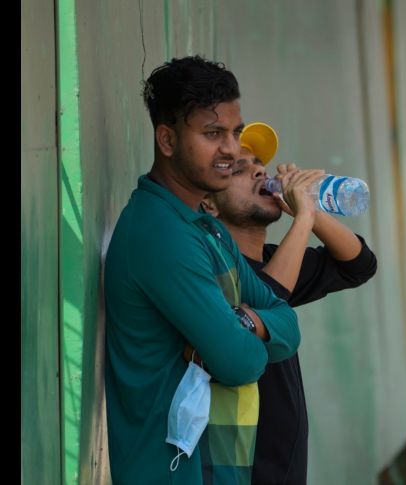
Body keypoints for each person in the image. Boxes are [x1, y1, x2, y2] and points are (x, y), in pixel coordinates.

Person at [104, 56, 299, 485]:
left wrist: (242, 321)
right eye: (212, 134)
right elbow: (240, 362)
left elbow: (288, 324)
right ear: (167, 140)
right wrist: (248, 334)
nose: (230, 149)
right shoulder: (160, 233)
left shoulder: (205, 225)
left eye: (235, 132)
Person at [200, 127, 377, 484]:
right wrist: (304, 219)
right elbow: (264, 300)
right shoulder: (212, 267)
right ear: (209, 203)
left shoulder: (275, 260)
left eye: (260, 165)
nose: (259, 172)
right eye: (238, 169)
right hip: (241, 470)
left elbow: (359, 265)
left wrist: (309, 209)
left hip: (285, 470)